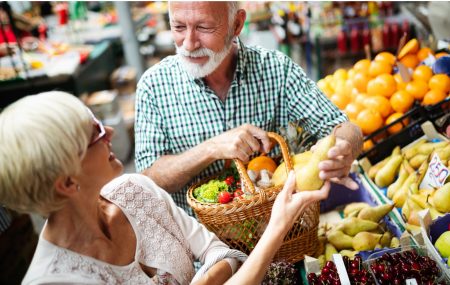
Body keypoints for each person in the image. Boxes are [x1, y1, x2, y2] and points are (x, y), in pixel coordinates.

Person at [0, 91, 331, 285]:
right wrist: (277, 226)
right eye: (96, 133)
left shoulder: (136, 191)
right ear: (68, 182)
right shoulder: (54, 280)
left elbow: (226, 255)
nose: (111, 131)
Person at [135, 1, 363, 216]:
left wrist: (344, 148)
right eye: (179, 27)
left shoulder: (276, 70)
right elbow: (148, 179)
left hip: (283, 237)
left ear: (236, 24)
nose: (189, 43)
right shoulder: (154, 86)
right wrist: (212, 148)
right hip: (200, 251)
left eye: (203, 27)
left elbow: (345, 128)